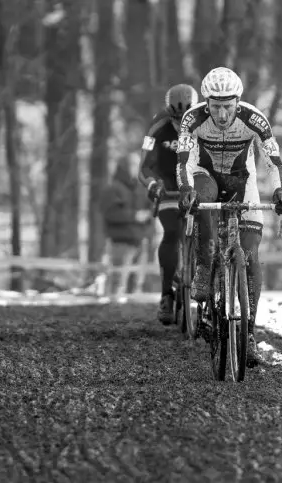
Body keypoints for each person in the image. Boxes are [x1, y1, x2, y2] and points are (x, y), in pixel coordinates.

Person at [176, 67, 282, 367]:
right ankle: (204, 267)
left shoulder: (254, 119)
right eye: (216, 107)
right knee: (202, 201)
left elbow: (273, 161)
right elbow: (184, 163)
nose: (223, 114)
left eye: (228, 106)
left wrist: (280, 192)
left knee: (251, 255)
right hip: (206, 175)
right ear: (207, 103)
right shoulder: (193, 118)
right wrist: (186, 190)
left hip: (243, 181)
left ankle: (249, 333)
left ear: (238, 102)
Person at [137, 83, 199, 324]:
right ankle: (166, 294)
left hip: (193, 185)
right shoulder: (157, 126)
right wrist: (153, 185)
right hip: (168, 187)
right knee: (172, 231)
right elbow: (143, 166)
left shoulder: (205, 123)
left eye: (184, 121)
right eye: (175, 120)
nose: (178, 126)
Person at [102, 153, 153, 295]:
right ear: (124, 167)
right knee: (117, 283)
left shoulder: (141, 188)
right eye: (133, 165)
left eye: (138, 165)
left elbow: (150, 210)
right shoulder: (113, 189)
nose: (136, 168)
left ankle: (131, 315)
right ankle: (110, 314)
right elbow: (111, 214)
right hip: (121, 244)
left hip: (140, 242)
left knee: (136, 285)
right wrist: (135, 216)